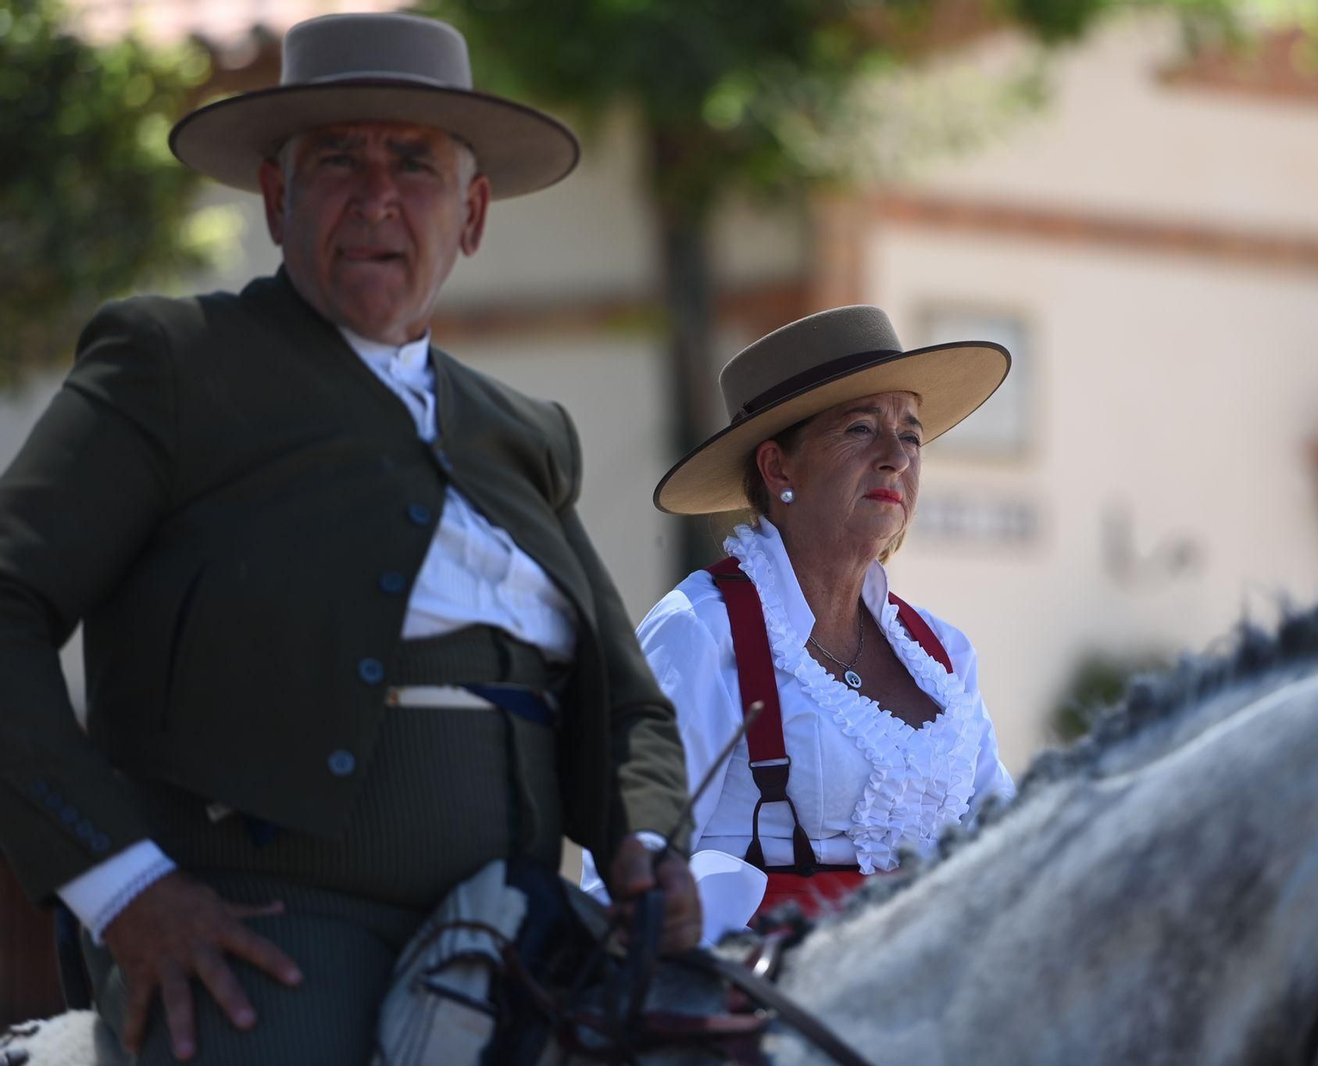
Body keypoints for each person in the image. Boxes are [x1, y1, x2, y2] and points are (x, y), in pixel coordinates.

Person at [0, 13, 698, 1064]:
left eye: (413, 163)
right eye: (337, 160)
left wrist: (646, 840)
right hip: (257, 929)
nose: (376, 196)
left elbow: (625, 703)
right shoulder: (174, 364)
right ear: (276, 198)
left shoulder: (525, 433)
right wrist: (123, 887)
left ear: (470, 214)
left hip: (508, 926)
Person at [624, 304, 1018, 937]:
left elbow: (1010, 841)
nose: (896, 458)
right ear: (777, 467)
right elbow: (629, 873)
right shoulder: (700, 632)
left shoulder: (944, 654)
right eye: (861, 428)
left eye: (911, 436)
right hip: (756, 988)